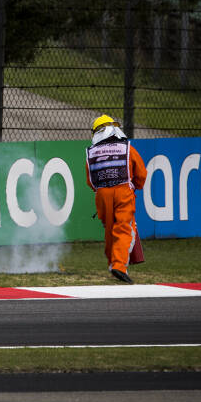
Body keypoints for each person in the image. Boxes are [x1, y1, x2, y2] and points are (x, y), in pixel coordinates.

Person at [85, 114, 147, 284]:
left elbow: (90, 181)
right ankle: (119, 266)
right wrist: (136, 186)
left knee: (110, 230)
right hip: (123, 191)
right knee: (125, 228)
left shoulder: (91, 152)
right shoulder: (126, 148)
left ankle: (112, 263)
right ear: (114, 128)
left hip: (102, 195)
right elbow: (141, 173)